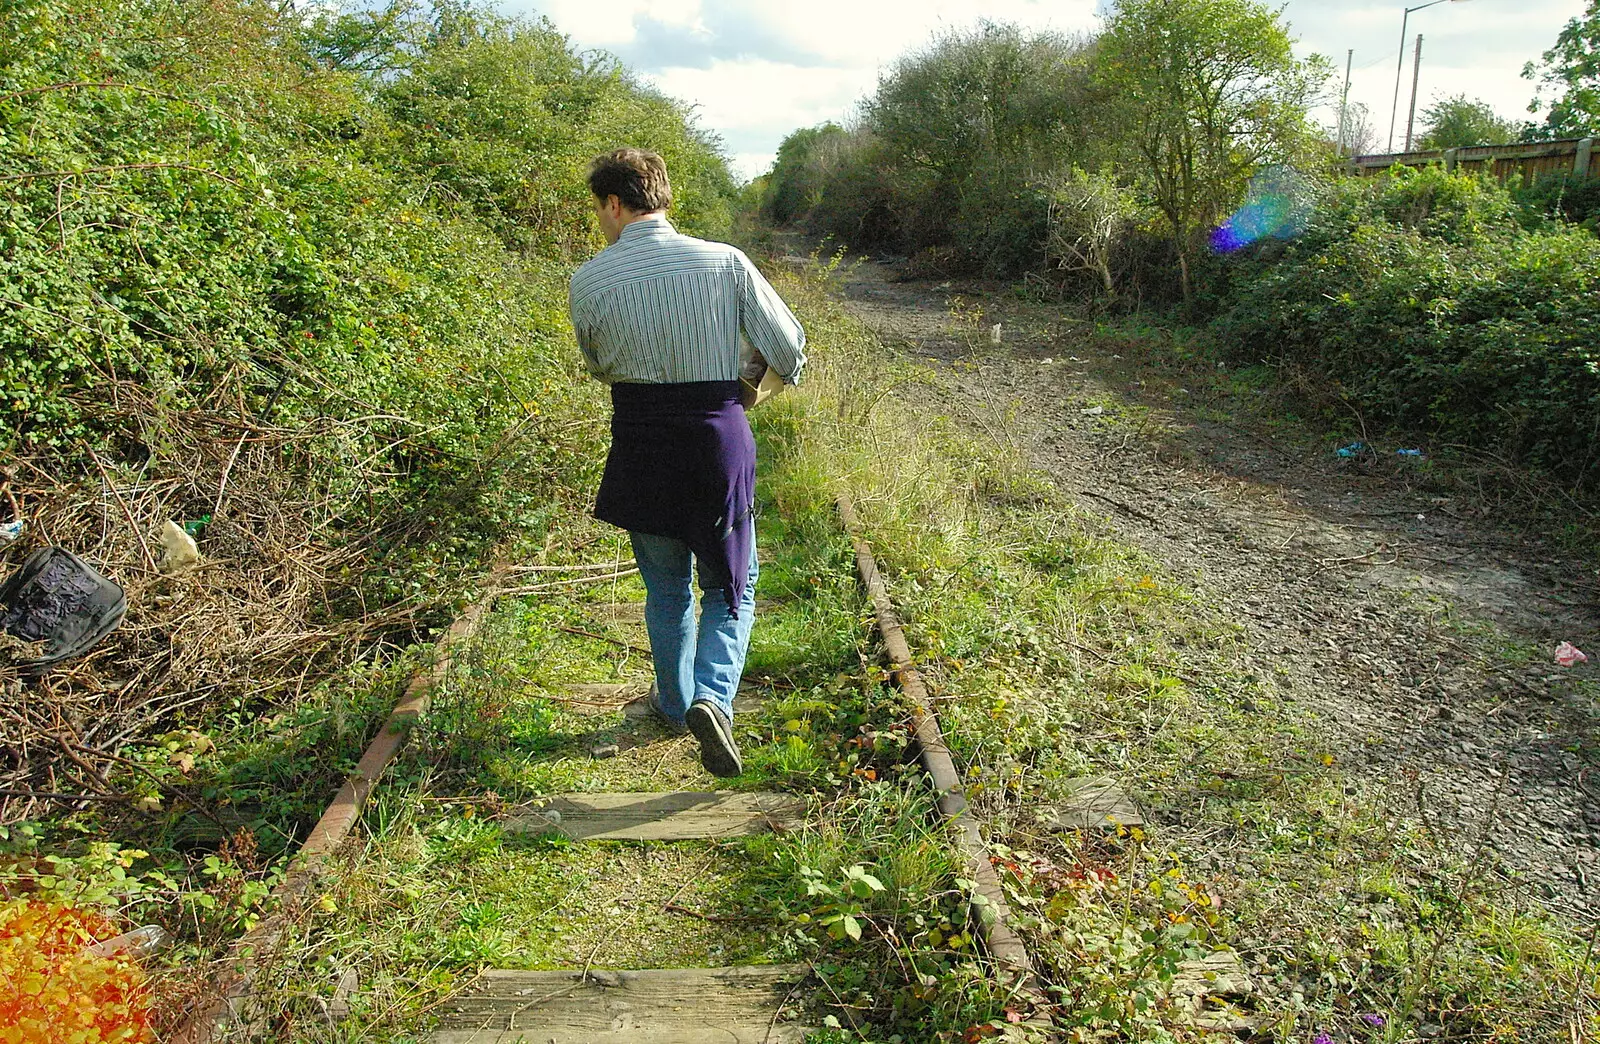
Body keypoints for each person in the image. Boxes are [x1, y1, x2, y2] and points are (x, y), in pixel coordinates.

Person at [568, 147, 806, 778]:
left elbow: (597, 366)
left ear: (614, 204)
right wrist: (749, 383)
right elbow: (789, 346)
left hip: (641, 438)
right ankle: (712, 697)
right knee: (733, 581)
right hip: (715, 438)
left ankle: (675, 705)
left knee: (665, 587)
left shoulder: (588, 280)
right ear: (661, 196)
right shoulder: (724, 262)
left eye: (599, 210)